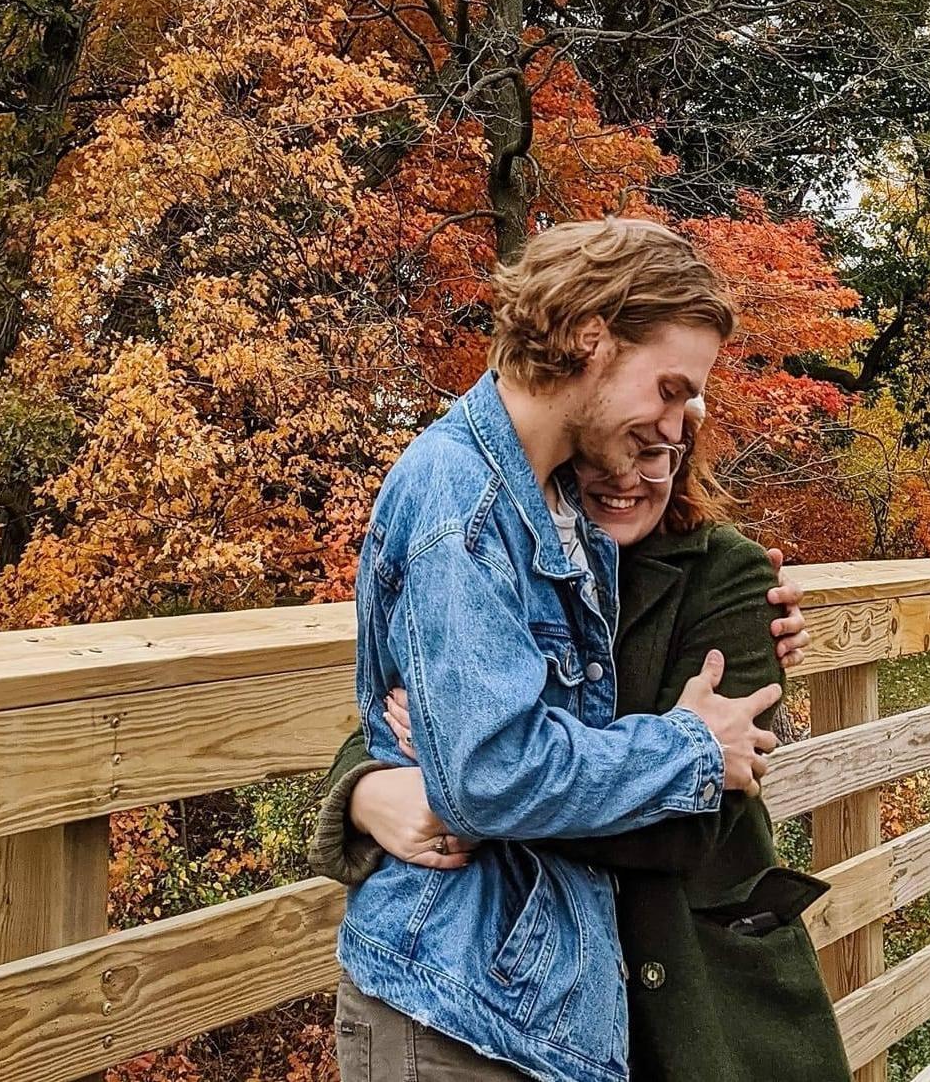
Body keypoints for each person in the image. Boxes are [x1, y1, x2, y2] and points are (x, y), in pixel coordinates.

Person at [329, 217, 786, 1082]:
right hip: (458, 1008)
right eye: (671, 386)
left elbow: (496, 758)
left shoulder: (546, 504)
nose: (680, 421)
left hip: (538, 1000)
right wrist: (691, 745)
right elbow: (493, 771)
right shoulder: (459, 501)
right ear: (590, 340)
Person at [313, 422, 854, 1082]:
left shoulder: (731, 576)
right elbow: (398, 720)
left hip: (695, 989)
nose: (625, 475)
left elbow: (689, 822)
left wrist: (475, 787)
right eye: (602, 453)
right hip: (536, 989)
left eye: (653, 454)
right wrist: (368, 794)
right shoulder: (513, 560)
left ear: (683, 460)